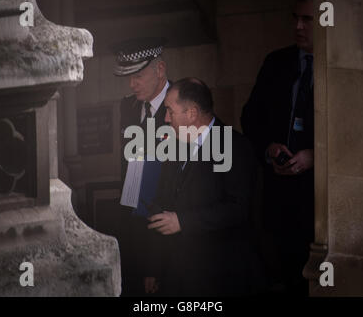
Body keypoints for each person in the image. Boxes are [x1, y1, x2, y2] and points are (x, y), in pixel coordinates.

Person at [145, 78, 265, 296]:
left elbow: (238, 209)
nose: (165, 118)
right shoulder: (174, 146)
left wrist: (183, 221)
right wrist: (153, 268)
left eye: (170, 111)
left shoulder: (235, 146)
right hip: (177, 277)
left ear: (191, 113)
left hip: (220, 279)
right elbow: (161, 205)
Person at [240, 0, 315, 296]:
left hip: (320, 201)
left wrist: (316, 158)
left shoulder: (341, 69)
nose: (298, 26)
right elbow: (250, 117)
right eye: (295, 17)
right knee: (287, 274)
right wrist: (269, 147)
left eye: (307, 19)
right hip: (279, 196)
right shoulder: (277, 62)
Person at [111, 37, 170, 296]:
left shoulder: (183, 105)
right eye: (128, 76)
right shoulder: (129, 106)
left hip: (168, 226)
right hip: (132, 220)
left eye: (138, 75)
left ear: (160, 70)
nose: (131, 84)